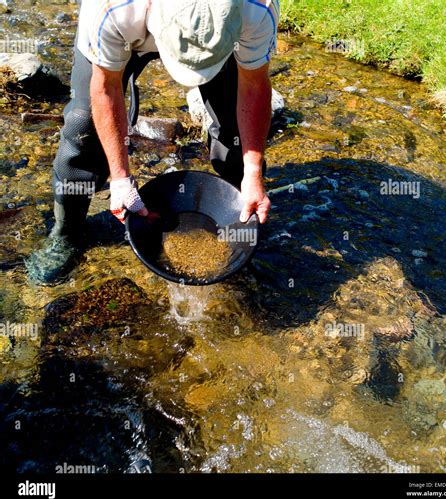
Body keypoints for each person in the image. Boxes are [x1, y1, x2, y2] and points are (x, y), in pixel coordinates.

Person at [26, 0, 279, 285]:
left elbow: (254, 85)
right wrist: (120, 179)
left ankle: (242, 216)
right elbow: (105, 87)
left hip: (225, 43)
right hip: (128, 27)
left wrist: (253, 173)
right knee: (83, 127)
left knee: (235, 128)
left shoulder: (257, 9)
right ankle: (67, 231)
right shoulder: (112, 7)